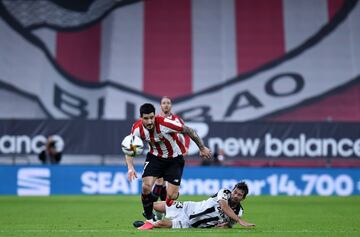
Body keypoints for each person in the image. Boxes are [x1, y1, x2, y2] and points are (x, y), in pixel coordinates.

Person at [125, 103, 211, 222]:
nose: (149, 121)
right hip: (154, 158)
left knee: (171, 196)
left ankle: (159, 210)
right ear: (141, 118)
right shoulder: (137, 129)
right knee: (146, 186)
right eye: (146, 118)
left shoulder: (165, 123)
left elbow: (189, 130)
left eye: (151, 117)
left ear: (155, 116)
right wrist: (130, 167)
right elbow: (129, 148)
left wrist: (202, 148)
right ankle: (150, 218)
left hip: (174, 160)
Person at [136, 182, 256, 230]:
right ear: (232, 190)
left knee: (160, 225)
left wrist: (220, 227)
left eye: (239, 195)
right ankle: (154, 217)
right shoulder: (224, 192)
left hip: (193, 224)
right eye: (235, 192)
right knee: (154, 206)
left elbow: (228, 226)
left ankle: (149, 223)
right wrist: (239, 221)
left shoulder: (239, 212)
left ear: (243, 198)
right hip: (189, 207)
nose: (235, 195)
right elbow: (224, 207)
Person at [152, 96, 191, 202]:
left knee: (170, 189)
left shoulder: (177, 120)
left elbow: (187, 134)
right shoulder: (155, 120)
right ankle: (152, 209)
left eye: (168, 103)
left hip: (175, 156)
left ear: (171, 105)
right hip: (160, 154)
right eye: (164, 103)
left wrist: (186, 147)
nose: (166, 105)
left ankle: (163, 209)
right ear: (160, 105)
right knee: (159, 182)